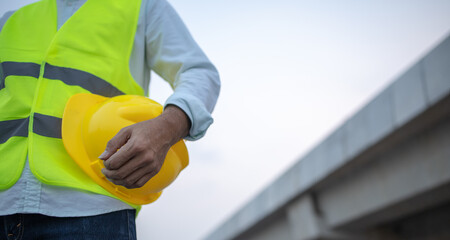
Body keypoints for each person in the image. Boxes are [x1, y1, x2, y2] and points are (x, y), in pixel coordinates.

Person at [0, 0, 220, 239]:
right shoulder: (9, 22)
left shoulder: (141, 7)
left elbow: (199, 72)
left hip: (95, 207)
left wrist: (167, 128)